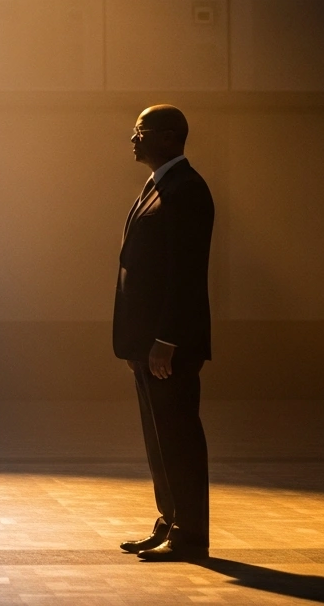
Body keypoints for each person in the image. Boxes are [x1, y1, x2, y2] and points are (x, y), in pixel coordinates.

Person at [114, 105, 215, 562]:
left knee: (178, 437)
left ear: (170, 138)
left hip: (166, 345)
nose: (133, 139)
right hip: (146, 343)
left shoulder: (187, 190)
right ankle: (171, 521)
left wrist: (168, 340)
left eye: (141, 131)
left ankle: (191, 534)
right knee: (159, 439)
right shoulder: (159, 186)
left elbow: (186, 273)